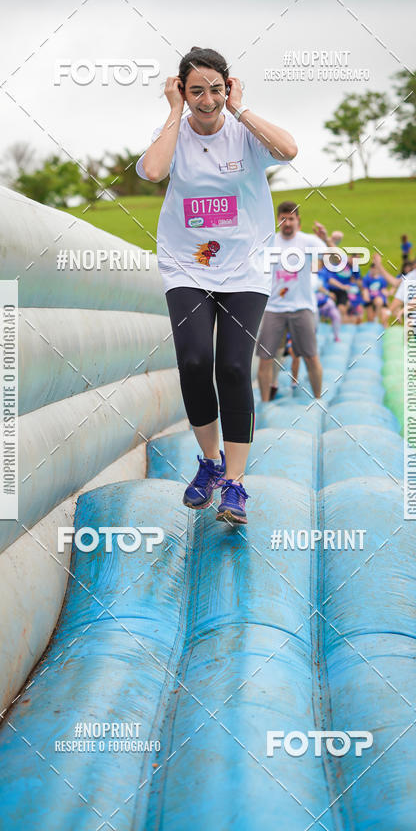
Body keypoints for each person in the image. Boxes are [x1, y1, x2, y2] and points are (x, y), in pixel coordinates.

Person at [136, 46, 297, 525]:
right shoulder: (174, 131)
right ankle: (209, 463)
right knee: (192, 360)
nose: (207, 100)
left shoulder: (244, 134)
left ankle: (236, 484)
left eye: (217, 89)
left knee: (231, 366)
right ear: (183, 93)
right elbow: (152, 171)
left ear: (229, 88)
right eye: (196, 91)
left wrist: (240, 109)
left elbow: (289, 150)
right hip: (187, 266)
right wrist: (170, 112)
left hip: (244, 268)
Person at [256, 201, 326, 402]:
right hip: (273, 307)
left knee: (311, 356)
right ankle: (265, 404)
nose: (287, 223)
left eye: (291, 219)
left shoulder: (308, 241)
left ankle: (318, 400)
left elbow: (336, 260)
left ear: (298, 221)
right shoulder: (269, 242)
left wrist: (327, 239)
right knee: (266, 358)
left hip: (301, 307)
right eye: (283, 219)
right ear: (278, 221)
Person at [361, 261, 390, 325]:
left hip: (379, 299)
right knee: (370, 320)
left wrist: (387, 294)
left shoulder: (381, 279)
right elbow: (365, 289)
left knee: (379, 302)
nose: (374, 270)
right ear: (370, 269)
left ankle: (376, 318)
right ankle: (372, 325)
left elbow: (383, 289)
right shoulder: (366, 278)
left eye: (376, 269)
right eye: (373, 268)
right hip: (370, 299)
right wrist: (366, 296)